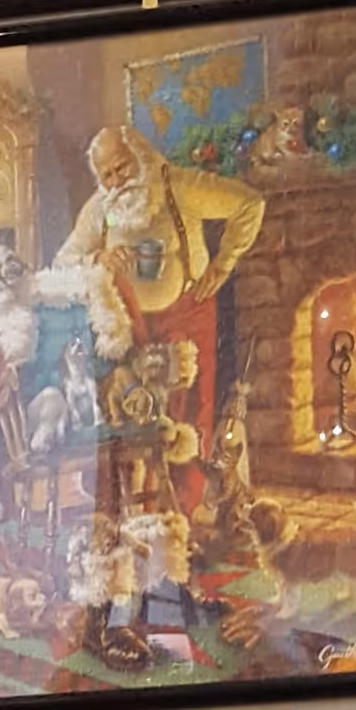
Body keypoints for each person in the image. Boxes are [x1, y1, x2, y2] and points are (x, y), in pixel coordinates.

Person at [52, 125, 264, 464]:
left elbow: (250, 204)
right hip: (131, 333)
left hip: (188, 317)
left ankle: (189, 508)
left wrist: (224, 264)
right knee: (136, 420)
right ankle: (146, 511)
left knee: (193, 414)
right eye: (106, 175)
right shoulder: (99, 209)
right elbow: (61, 263)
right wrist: (97, 258)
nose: (117, 181)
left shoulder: (179, 186)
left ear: (141, 155)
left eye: (122, 167)